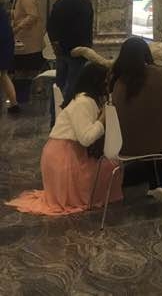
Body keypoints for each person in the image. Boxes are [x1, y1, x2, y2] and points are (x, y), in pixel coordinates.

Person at [6, 63, 123, 215]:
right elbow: (86, 139)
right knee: (110, 167)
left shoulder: (82, 98)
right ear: (97, 82)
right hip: (65, 157)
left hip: (62, 154)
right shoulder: (84, 102)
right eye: (105, 82)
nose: (108, 86)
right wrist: (102, 119)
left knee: (108, 165)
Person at [110, 37, 162, 206]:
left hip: (125, 145)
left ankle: (155, 185)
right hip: (161, 143)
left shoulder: (117, 81)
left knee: (148, 137)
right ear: (146, 54)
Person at [47, 0, 94, 111]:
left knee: (59, 85)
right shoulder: (85, 3)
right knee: (73, 85)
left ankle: (54, 114)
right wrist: (87, 48)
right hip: (77, 51)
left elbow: (51, 25)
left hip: (61, 49)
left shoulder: (61, 2)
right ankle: (66, 114)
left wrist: (55, 44)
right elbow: (84, 28)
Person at [0, 0, 45, 78]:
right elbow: (22, 13)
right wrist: (10, 12)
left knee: (27, 74)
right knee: (20, 73)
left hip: (30, 45)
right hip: (24, 44)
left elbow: (32, 16)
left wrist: (17, 28)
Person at [0, 4, 18, 114]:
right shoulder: (2, 11)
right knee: (4, 75)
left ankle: (14, 103)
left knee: (3, 75)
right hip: (6, 43)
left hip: (2, 43)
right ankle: (14, 103)